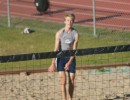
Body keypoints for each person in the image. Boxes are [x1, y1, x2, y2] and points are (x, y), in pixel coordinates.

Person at [48, 12, 79, 100]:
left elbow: (74, 51)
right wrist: (52, 63)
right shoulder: (59, 33)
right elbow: (55, 50)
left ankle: (70, 98)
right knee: (63, 79)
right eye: (68, 20)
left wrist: (69, 62)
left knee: (72, 79)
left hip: (71, 57)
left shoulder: (75, 34)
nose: (69, 22)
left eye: (71, 20)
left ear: (73, 22)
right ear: (64, 21)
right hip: (61, 58)